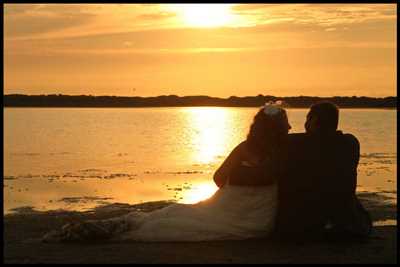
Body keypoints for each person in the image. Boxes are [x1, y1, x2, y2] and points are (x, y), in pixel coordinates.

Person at [42, 102, 291, 243]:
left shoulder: (246, 149)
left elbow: (218, 178)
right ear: (279, 128)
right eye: (285, 123)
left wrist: (237, 183)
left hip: (246, 218)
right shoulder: (286, 151)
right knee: (171, 216)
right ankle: (87, 230)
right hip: (256, 220)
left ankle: (87, 230)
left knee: (167, 221)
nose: (289, 126)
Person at [273, 101, 372, 241]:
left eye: (308, 118)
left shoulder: (293, 143)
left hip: (298, 223)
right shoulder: (350, 143)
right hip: (344, 222)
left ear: (313, 120)